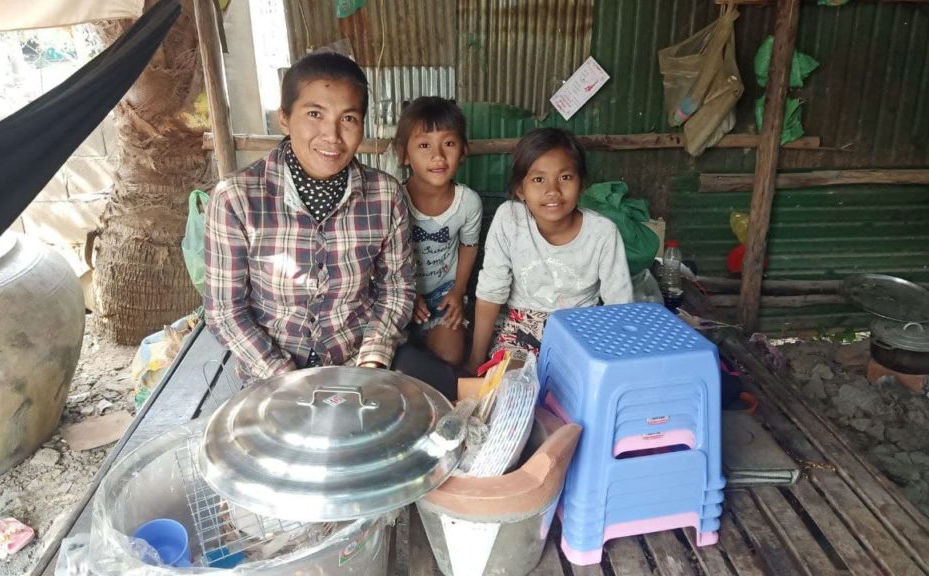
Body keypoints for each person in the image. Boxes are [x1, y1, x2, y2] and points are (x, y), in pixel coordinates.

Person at [204, 52, 456, 398]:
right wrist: (285, 378)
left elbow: (397, 288)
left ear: (362, 125)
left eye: (348, 118)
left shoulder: (384, 194)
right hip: (272, 372)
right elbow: (225, 311)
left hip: (359, 359)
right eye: (314, 114)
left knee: (442, 402)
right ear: (284, 118)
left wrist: (371, 361)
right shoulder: (236, 198)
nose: (332, 135)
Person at [467, 128, 633, 373]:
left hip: (581, 332)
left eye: (565, 177)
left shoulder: (602, 232)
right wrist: (474, 361)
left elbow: (620, 307)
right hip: (521, 331)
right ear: (520, 190)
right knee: (511, 392)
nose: (553, 190)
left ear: (582, 184)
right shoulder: (510, 219)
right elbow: (491, 292)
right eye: (538, 179)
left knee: (572, 394)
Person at [394, 97, 482, 367]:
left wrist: (458, 290)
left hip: (445, 294)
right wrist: (407, 295)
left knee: (450, 356)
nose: (438, 156)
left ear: (463, 150)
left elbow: (468, 246)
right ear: (404, 155)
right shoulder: (394, 198)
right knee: (395, 361)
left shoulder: (467, 202)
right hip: (399, 293)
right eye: (424, 145)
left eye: (449, 143)